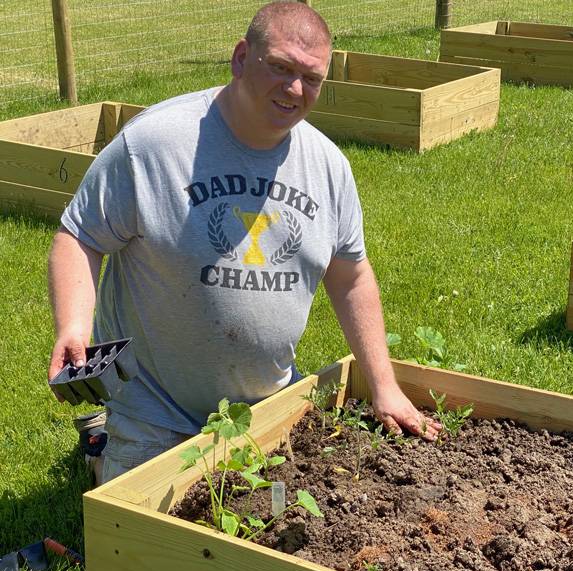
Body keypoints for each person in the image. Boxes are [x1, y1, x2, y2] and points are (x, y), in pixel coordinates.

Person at [47, 0, 440, 484]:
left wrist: (384, 385)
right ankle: (106, 442)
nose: (294, 89)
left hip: (267, 403)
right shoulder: (154, 144)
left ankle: (105, 438)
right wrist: (74, 326)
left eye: (312, 78)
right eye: (279, 67)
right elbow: (79, 236)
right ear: (240, 58)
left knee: (291, 522)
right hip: (157, 406)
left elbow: (351, 275)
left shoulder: (328, 165)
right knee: (164, 543)